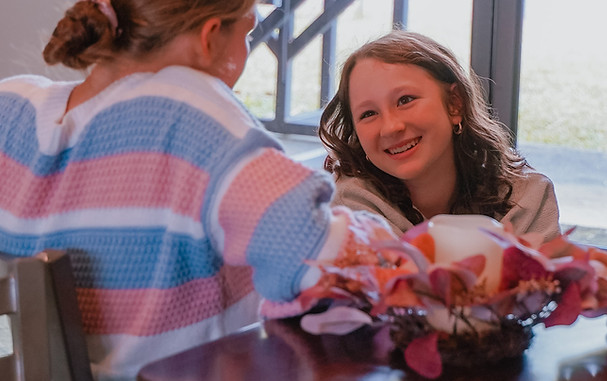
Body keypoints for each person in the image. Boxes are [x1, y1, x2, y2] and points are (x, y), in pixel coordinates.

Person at [0, 0, 394, 379]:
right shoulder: (186, 107)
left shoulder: (11, 106)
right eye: (248, 33)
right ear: (209, 38)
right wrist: (385, 242)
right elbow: (322, 258)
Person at [318, 31, 561, 240]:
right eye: (368, 114)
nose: (390, 127)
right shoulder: (348, 205)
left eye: (405, 100)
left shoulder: (526, 196)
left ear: (455, 103)